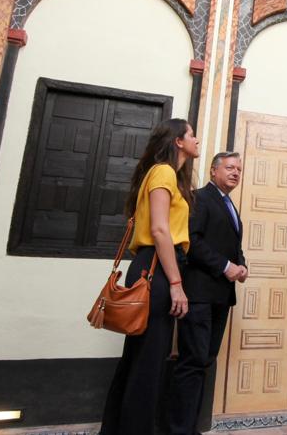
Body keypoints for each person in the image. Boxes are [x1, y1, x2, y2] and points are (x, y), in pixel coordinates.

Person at [99, 118, 199, 435]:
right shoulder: (163, 172)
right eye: (192, 135)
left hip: (155, 266)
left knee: (140, 359)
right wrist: (176, 284)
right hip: (155, 268)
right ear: (178, 141)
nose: (197, 139)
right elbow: (159, 229)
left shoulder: (170, 175)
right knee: (147, 363)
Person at [175, 152, 249, 434]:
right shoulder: (199, 198)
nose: (235, 173)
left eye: (239, 169)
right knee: (192, 363)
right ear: (213, 170)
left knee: (204, 362)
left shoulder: (228, 203)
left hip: (220, 296)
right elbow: (190, 241)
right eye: (229, 167)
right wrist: (225, 266)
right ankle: (179, 429)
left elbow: (230, 244)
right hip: (199, 294)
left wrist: (241, 264)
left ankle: (191, 427)